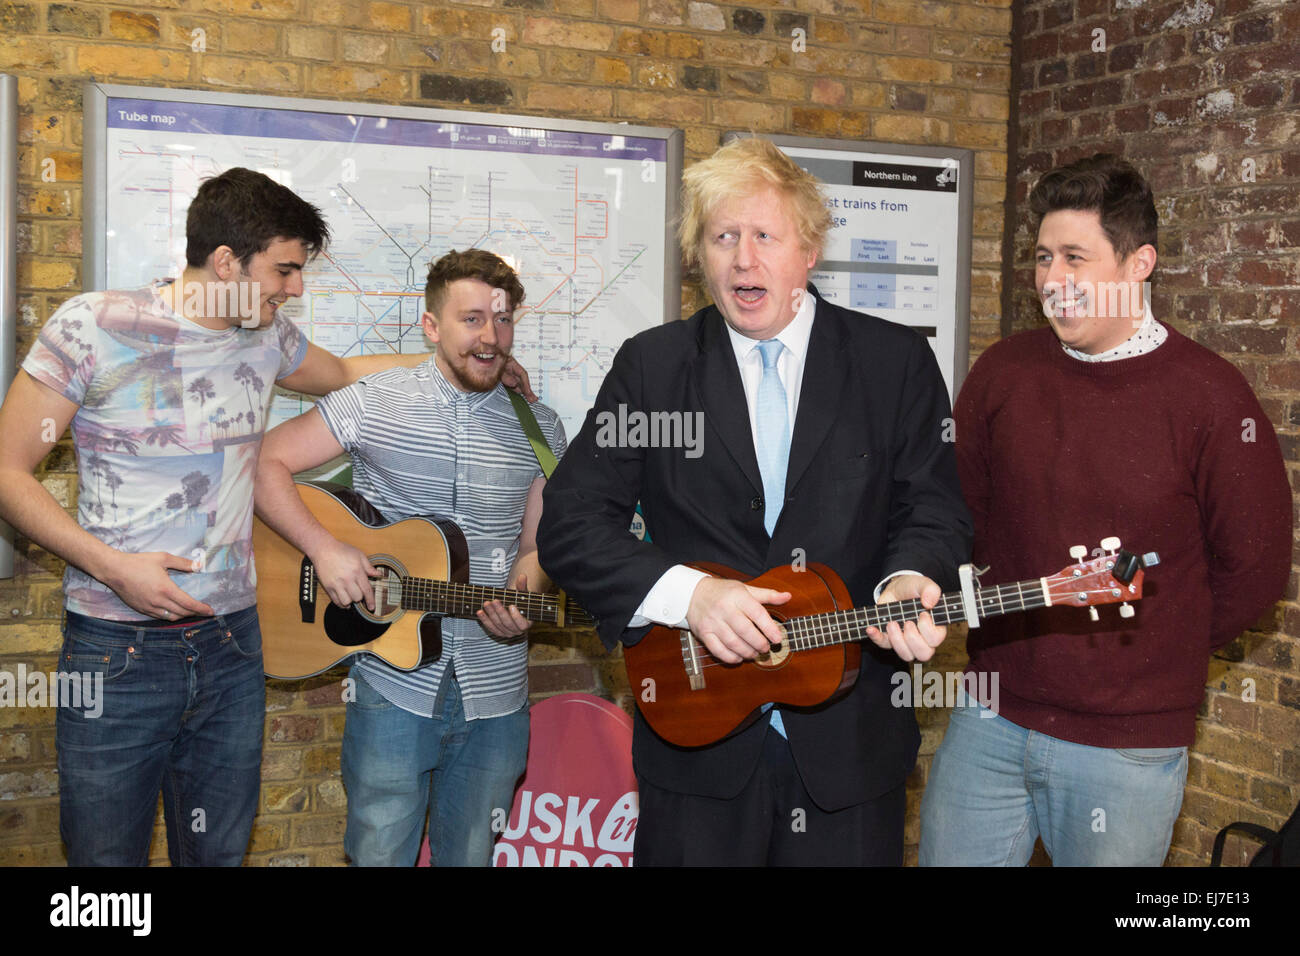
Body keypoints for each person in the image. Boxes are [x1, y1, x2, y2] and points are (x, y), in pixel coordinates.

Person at [0, 167, 511, 865]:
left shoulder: (264, 335)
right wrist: (112, 567)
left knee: (218, 854)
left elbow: (347, 373)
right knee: (103, 866)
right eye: (286, 270)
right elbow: (8, 474)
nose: (295, 289)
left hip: (234, 650)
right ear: (225, 262)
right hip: (117, 653)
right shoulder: (93, 327)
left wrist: (475, 358)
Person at [537, 137, 971, 865]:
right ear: (699, 256)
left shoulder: (893, 363)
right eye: (723, 237)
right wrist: (690, 596)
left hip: (850, 749)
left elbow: (934, 509)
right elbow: (572, 523)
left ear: (808, 249)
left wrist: (908, 575)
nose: (744, 259)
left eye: (765, 236)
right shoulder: (653, 367)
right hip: (693, 739)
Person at [920, 153, 1291, 866]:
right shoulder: (1004, 373)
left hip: (1127, 749)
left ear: (1137, 264)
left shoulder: (1211, 397)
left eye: (1075, 259)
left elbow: (1254, 570)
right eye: (1043, 258)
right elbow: (958, 515)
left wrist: (1151, 652)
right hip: (990, 716)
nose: (1052, 281)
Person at [254, 248, 565, 867]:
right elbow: (264, 463)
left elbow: (535, 545)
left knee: (471, 856)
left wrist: (527, 592)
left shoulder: (542, 428)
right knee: (378, 855)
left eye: (502, 321)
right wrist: (325, 548)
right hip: (392, 685)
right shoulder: (375, 401)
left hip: (497, 692)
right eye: (471, 319)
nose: (490, 337)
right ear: (431, 326)